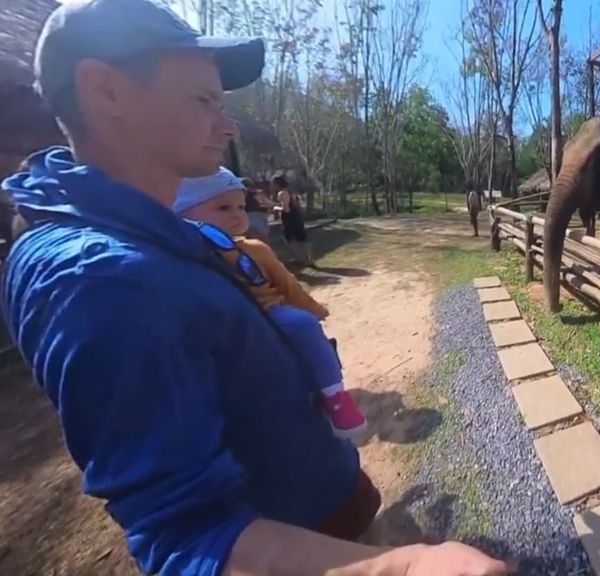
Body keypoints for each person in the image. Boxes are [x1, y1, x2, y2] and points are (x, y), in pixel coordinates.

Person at [0, 1, 511, 575]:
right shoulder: (100, 282)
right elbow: (188, 536)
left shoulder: (148, 235)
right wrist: (401, 569)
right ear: (105, 90)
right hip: (296, 535)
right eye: (203, 101)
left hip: (313, 497)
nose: (228, 124)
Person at [174, 167, 368, 438]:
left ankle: (335, 395)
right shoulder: (179, 258)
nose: (237, 215)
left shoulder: (255, 250)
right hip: (223, 327)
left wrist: (313, 309)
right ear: (181, 214)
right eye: (223, 208)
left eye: (241, 207)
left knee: (302, 324)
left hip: (268, 313)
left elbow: (287, 285)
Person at [274, 173, 313, 266]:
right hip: (297, 216)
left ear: (277, 184)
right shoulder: (292, 191)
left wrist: (275, 208)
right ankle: (308, 258)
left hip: (289, 219)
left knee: (289, 240)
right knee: (302, 238)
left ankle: (299, 258)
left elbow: (286, 209)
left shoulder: (282, 193)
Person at [241, 177, 273, 242]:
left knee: (259, 237)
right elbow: (269, 204)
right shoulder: (256, 194)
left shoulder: (242, 194)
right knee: (261, 237)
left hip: (252, 217)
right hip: (255, 217)